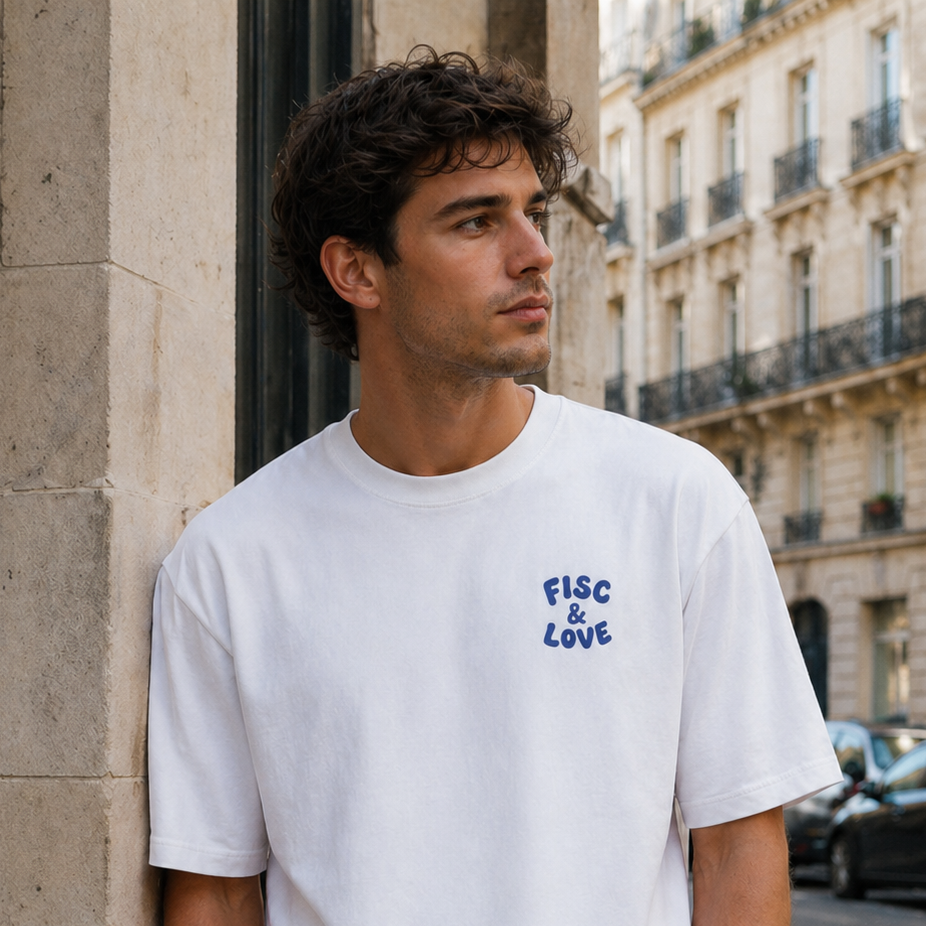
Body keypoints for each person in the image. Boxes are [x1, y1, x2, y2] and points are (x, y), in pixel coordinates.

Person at [148, 49, 841, 926]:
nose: (536, 254)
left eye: (533, 212)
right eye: (477, 222)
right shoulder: (229, 561)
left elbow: (740, 846)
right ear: (357, 270)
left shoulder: (674, 500)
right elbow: (213, 890)